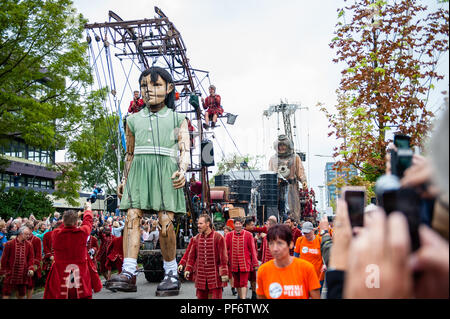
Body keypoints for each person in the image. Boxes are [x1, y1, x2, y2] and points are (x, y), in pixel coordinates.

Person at [108, 66, 190, 296]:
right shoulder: (132, 120)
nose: (149, 90)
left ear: (169, 88)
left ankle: (171, 272)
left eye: (155, 84)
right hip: (139, 170)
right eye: (145, 85)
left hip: (166, 170)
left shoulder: (178, 118)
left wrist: (182, 169)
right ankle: (129, 272)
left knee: (165, 223)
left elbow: (185, 148)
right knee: (132, 218)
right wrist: (124, 178)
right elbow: (130, 153)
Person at [43, 201, 96, 299]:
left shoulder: (56, 234)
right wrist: (88, 210)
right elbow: (88, 222)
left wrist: (71, 218)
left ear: (63, 221)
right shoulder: (82, 232)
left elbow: (65, 225)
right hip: (80, 274)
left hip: (61, 274)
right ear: (76, 222)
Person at [256, 224, 321, 299]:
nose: (275, 248)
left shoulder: (307, 269)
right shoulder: (263, 271)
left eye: (279, 243)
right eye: (271, 243)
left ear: (290, 244)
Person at [184, 214, 228, 299]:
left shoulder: (218, 238)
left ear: (208, 224)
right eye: (198, 224)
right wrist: (188, 269)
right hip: (201, 276)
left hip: (215, 276)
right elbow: (191, 256)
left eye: (201, 224)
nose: (198, 226)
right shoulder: (196, 238)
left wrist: (224, 272)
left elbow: (223, 257)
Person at [268, 135, 307, 222]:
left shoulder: (295, 157)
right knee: (278, 208)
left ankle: (294, 223)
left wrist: (303, 181)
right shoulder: (273, 159)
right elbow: (270, 173)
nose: (281, 148)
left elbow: (300, 170)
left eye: (283, 145)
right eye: (280, 145)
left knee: (293, 208)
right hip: (277, 188)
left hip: (291, 187)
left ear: (288, 146)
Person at [225, 217, 259, 299]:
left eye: (239, 224)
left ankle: (243, 298)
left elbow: (253, 250)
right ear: (233, 225)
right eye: (236, 224)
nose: (237, 225)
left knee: (244, 283)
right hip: (234, 263)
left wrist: (255, 263)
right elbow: (225, 249)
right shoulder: (229, 235)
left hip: (245, 263)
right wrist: (225, 262)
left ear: (242, 224)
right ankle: (240, 297)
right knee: (237, 283)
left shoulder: (248, 235)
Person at [0, 226, 35, 299]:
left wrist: (31, 268)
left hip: (23, 274)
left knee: (21, 294)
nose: (28, 236)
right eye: (26, 234)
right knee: (6, 293)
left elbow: (31, 259)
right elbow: (4, 259)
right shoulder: (9, 244)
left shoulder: (29, 245)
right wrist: (4, 272)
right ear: (20, 234)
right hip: (10, 274)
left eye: (29, 234)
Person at [293, 221, 326, 289]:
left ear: (313, 230)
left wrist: (325, 264)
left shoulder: (320, 240)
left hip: (318, 276)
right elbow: (295, 258)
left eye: (308, 232)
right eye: (305, 233)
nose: (306, 235)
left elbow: (326, 256)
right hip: (303, 276)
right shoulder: (300, 240)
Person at [24, 223, 42, 299]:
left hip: (31, 265)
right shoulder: (21, 238)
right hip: (22, 265)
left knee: (30, 285)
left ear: (31, 230)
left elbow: (38, 254)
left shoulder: (36, 239)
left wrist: (35, 265)